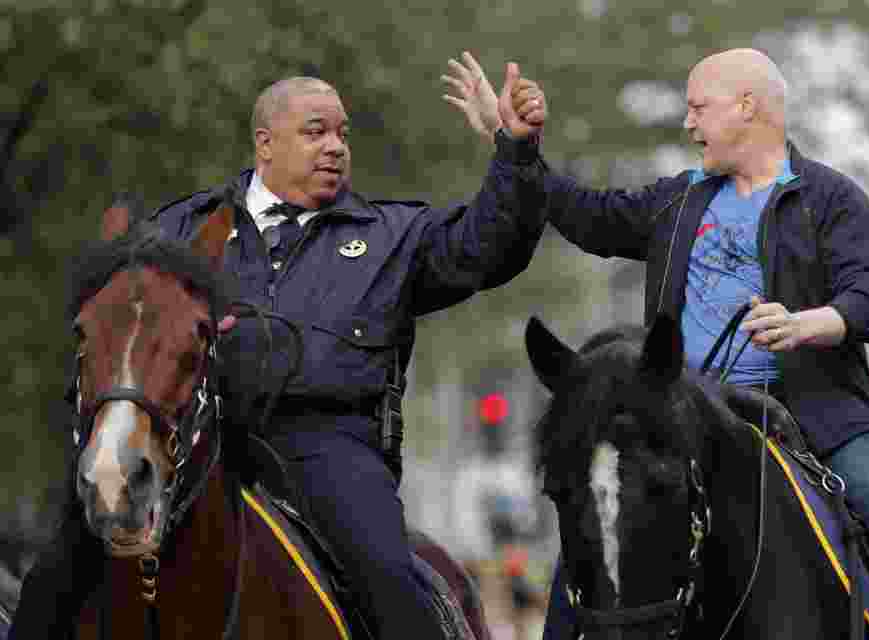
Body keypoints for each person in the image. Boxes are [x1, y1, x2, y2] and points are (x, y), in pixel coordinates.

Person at [444, 49, 869, 640]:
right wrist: (514, 144)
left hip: (823, 420)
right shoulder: (678, 200)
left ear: (746, 106)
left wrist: (812, 322)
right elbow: (583, 215)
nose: (688, 124)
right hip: (682, 419)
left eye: (698, 108)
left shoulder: (832, 198)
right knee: (596, 530)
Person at [12, 66, 549, 640]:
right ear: (265, 143)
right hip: (198, 435)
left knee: (392, 581)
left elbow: (493, 247)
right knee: (56, 573)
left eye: (342, 134)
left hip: (329, 447)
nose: (336, 147)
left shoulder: (396, 234)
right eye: (316, 132)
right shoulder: (182, 230)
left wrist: (513, 151)